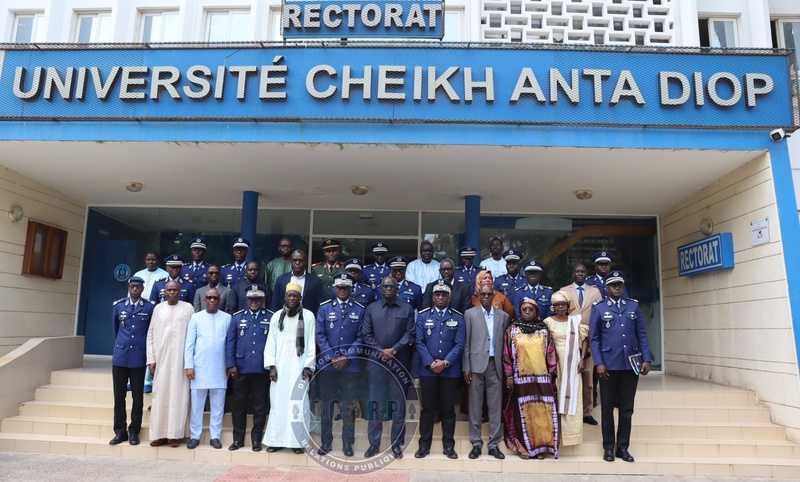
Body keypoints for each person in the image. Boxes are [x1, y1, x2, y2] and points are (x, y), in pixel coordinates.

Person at [590, 271, 652, 463]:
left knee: (626, 409)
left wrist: (646, 359)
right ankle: (608, 447)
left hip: (630, 365)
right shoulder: (599, 308)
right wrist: (599, 363)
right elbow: (594, 339)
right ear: (607, 288)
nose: (617, 288)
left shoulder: (632, 306)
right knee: (607, 408)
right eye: (613, 285)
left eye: (620, 285)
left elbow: (642, 334)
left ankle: (622, 447)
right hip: (608, 365)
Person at [361, 276, 415, 459]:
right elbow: (366, 334)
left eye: (392, 286)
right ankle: (374, 444)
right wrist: (381, 351)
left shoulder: (407, 308)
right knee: (375, 404)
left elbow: (410, 334)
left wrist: (394, 350)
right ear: (381, 288)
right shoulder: (371, 308)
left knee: (398, 406)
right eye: (385, 286)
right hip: (376, 365)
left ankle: (397, 445)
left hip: (399, 364)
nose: (389, 289)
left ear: (397, 288)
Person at [263, 283, 317, 453]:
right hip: (280, 368)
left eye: (295, 295)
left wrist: (308, 366)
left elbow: (310, 344)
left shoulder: (308, 316)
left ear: (300, 298)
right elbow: (270, 343)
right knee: (278, 404)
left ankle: (297, 442)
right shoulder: (276, 317)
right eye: (289, 295)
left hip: (299, 368)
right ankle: (276, 440)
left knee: (299, 404)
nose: (292, 298)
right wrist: (271, 366)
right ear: (285, 297)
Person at [414, 280, 465, 460]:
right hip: (428, 371)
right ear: (433, 296)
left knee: (448, 410)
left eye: (444, 294)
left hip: (449, 372)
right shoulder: (422, 316)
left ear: (449, 297)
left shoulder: (457, 317)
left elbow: (459, 344)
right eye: (437, 294)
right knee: (427, 409)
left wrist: (445, 362)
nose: (441, 297)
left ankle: (449, 446)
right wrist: (430, 362)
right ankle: (424, 446)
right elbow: (419, 342)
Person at [315, 273, 364, 457]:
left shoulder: (359, 309)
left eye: (346, 287)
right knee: (326, 406)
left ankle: (347, 443)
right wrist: (333, 357)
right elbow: (320, 335)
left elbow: (361, 336)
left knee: (348, 407)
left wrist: (347, 357)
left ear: (351, 289)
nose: (342, 290)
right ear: (335, 288)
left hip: (350, 367)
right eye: (339, 287)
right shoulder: (325, 309)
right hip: (328, 367)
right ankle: (326, 443)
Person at [502, 297, 558, 459]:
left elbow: (551, 353)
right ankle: (524, 448)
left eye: (530, 309)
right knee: (521, 414)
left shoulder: (544, 330)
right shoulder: (513, 329)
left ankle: (540, 448)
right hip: (520, 380)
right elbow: (506, 354)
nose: (527, 312)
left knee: (541, 414)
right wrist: (509, 375)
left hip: (541, 380)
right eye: (524, 309)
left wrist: (550, 373)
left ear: (536, 312)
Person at [462, 283, 510, 460]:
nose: (487, 297)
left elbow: (505, 346)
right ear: (478, 295)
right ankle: (476, 443)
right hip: (475, 365)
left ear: (494, 295)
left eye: (490, 294)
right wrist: (466, 366)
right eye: (483, 294)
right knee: (475, 405)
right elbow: (466, 342)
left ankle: (494, 444)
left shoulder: (503, 316)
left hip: (494, 365)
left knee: (495, 406)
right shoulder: (469, 314)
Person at [146, 280, 194, 447]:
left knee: (179, 396)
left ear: (180, 291)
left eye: (175, 290)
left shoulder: (188, 308)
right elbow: (150, 334)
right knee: (160, 396)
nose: (172, 292)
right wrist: (151, 359)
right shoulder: (158, 309)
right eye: (169, 290)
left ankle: (175, 435)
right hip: (162, 360)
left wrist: (190, 362)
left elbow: (193, 336)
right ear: (164, 292)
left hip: (181, 361)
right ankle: (159, 434)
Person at [225, 286, 274, 452]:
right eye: (251, 299)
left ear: (263, 300)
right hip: (240, 368)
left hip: (261, 369)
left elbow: (274, 344)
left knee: (260, 406)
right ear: (246, 301)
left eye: (258, 299)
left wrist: (272, 365)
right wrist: (231, 365)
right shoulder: (237, 318)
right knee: (239, 406)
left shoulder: (271, 317)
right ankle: (238, 439)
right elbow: (230, 342)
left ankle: (256, 440)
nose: (254, 302)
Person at [184, 287, 232, 450]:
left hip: (220, 369)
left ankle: (215, 437)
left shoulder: (227, 318)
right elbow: (189, 344)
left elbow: (229, 345)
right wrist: (189, 366)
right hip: (199, 369)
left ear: (220, 301)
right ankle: (195, 436)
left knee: (218, 406)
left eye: (215, 298)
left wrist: (229, 365)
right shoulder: (196, 318)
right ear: (204, 300)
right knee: (197, 405)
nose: (212, 300)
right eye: (209, 298)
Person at [109, 276, 155, 446]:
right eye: (132, 286)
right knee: (119, 397)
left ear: (143, 289)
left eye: (138, 287)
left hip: (138, 357)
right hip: (120, 357)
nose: (134, 289)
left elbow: (151, 331)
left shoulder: (149, 307)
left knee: (138, 397)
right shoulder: (119, 305)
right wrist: (121, 346)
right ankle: (120, 431)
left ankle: (134, 430)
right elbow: (116, 330)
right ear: (128, 288)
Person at [544, 291, 589, 447]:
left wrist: (583, 358)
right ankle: (555, 435)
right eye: (557, 305)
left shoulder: (575, 321)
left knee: (573, 396)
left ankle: (572, 435)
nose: (560, 307)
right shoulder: (548, 322)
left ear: (567, 306)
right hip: (554, 363)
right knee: (556, 394)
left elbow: (584, 340)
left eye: (563, 304)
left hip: (573, 363)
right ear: (553, 307)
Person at [560, 263, 603, 425]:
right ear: (573, 274)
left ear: (586, 274)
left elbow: (598, 315)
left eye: (582, 272)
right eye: (577, 271)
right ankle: (568, 410)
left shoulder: (595, 291)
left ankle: (587, 412)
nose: (579, 274)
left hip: (590, 340)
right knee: (568, 377)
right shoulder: (564, 291)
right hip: (568, 340)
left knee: (588, 379)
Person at [271, 250, 324, 314]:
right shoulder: (281, 279)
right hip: (285, 319)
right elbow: (274, 303)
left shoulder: (315, 281)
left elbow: (319, 305)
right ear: (291, 262)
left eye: (300, 260)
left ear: (305, 262)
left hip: (307, 320)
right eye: (294, 260)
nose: (297, 263)